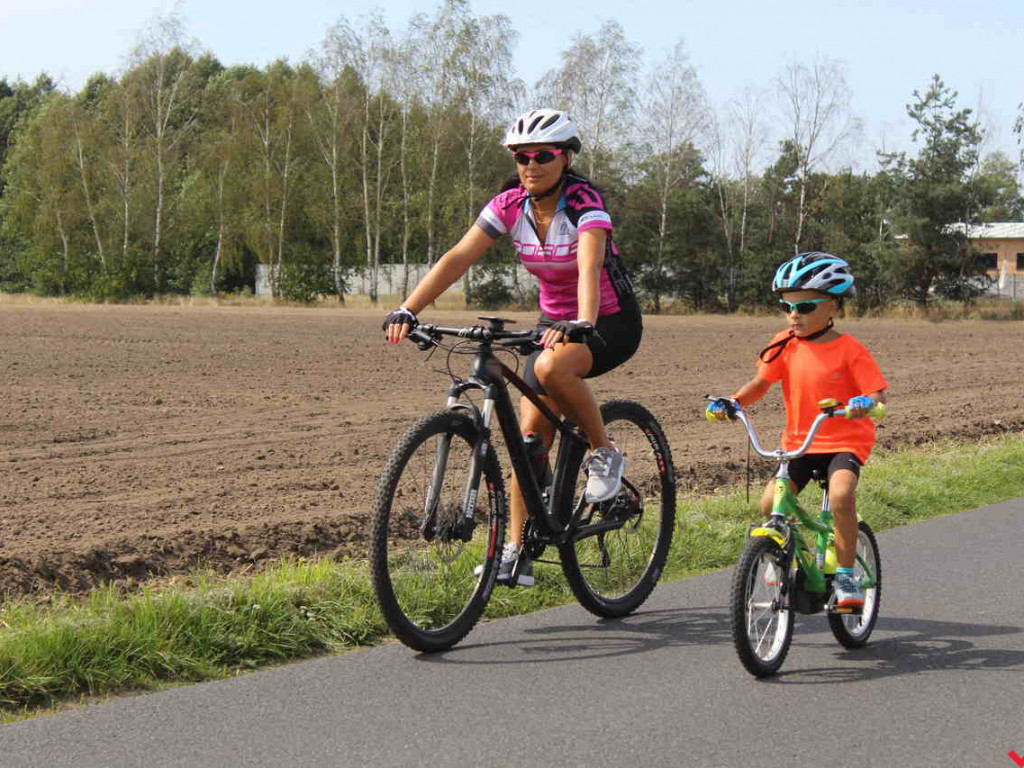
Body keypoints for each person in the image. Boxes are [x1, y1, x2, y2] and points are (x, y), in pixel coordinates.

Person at [383, 108, 643, 586]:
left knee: (550, 371)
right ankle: (515, 550)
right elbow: (458, 257)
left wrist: (582, 323)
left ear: (565, 158)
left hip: (606, 318)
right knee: (528, 441)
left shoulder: (585, 202)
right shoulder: (508, 205)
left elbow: (589, 267)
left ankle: (604, 453)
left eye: (543, 155)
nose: (531, 164)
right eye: (522, 156)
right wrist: (408, 308)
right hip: (552, 324)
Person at [706, 252, 887, 610]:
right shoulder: (783, 343)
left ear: (832, 305)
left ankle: (847, 574)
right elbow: (761, 382)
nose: (794, 315)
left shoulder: (850, 349)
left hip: (843, 440)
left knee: (839, 497)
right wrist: (734, 402)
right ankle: (786, 554)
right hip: (800, 443)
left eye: (805, 307)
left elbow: (875, 392)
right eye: (787, 307)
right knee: (770, 504)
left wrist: (866, 403)